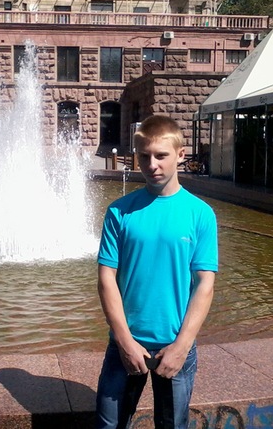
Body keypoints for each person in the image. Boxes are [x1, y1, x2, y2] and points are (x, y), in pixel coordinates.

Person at [95, 115, 218, 429]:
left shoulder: (200, 214)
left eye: (161, 155)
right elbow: (106, 278)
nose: (152, 165)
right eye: (144, 156)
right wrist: (124, 341)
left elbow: (205, 285)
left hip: (175, 344)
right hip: (126, 342)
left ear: (180, 154)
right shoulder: (119, 211)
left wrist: (182, 346)